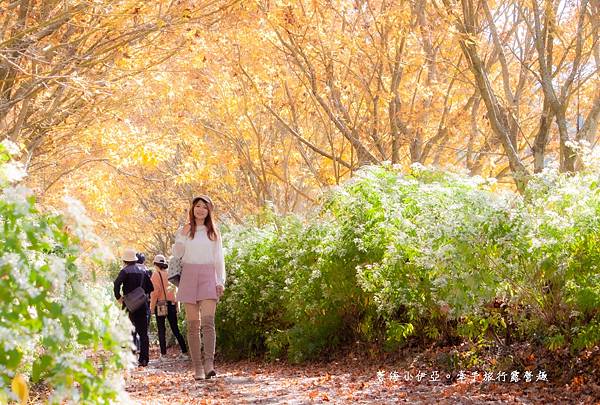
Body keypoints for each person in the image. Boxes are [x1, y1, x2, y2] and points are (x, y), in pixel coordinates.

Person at [173, 195, 226, 380]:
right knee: (193, 325)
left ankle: (209, 364)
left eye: (204, 207)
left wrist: (220, 281)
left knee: (208, 322)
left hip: (208, 276)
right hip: (188, 275)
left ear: (209, 211)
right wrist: (181, 235)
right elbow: (177, 254)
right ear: (192, 209)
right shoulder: (185, 230)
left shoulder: (214, 232)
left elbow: (219, 259)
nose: (200, 209)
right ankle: (197, 368)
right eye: (197, 206)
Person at [114, 248, 154, 367]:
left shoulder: (124, 271)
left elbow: (116, 284)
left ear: (125, 260)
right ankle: (144, 359)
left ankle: (131, 357)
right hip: (142, 305)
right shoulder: (143, 271)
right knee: (143, 333)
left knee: (129, 330)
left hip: (128, 305)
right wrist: (141, 294)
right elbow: (150, 288)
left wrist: (118, 297)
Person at [149, 254, 188, 360]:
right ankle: (185, 352)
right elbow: (175, 291)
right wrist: (177, 306)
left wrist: (152, 308)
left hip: (160, 305)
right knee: (175, 329)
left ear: (155, 264)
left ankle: (164, 355)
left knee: (161, 330)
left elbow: (154, 293)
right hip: (171, 304)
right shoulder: (170, 274)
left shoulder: (155, 275)